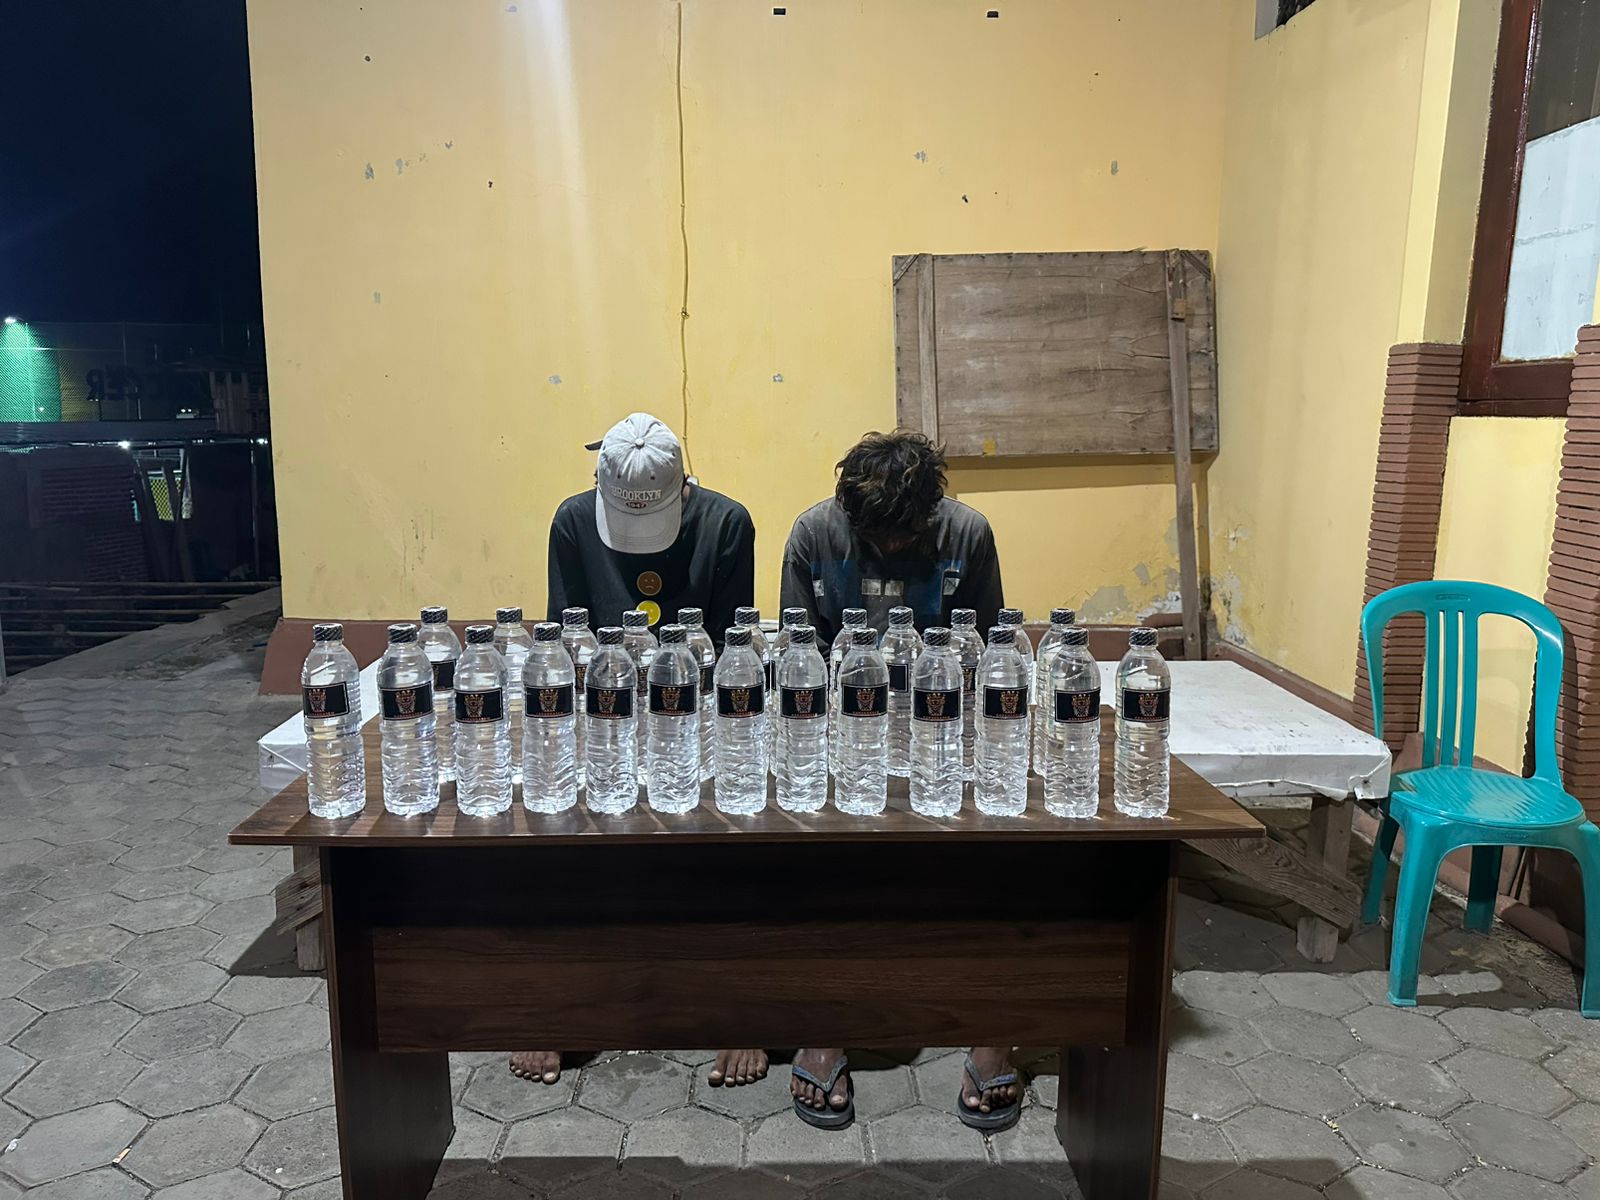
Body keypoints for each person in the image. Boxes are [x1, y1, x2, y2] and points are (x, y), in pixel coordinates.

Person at [513, 411, 767, 1092]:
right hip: (606, 719)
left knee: (735, 832)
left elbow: (732, 651)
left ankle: (737, 1005)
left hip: (697, 721)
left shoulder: (727, 523)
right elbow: (566, 643)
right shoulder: (573, 522)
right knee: (559, 833)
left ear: (683, 487)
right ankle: (564, 1001)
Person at [779, 428, 1018, 1132]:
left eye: (902, 536)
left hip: (943, 736)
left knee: (1007, 855)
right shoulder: (815, 534)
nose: (887, 546)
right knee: (810, 856)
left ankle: (996, 1030)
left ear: (930, 514)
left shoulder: (967, 535)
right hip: (842, 736)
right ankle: (821, 1026)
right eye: (873, 537)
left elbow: (989, 652)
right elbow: (798, 657)